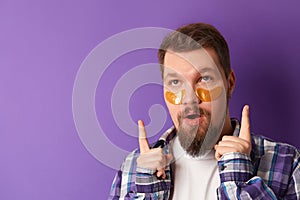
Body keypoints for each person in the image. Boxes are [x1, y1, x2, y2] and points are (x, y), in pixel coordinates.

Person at [109, 23, 300, 199]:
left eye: (205, 79)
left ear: (229, 83)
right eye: (175, 82)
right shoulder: (133, 168)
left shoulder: (288, 163)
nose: (190, 98)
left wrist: (238, 181)